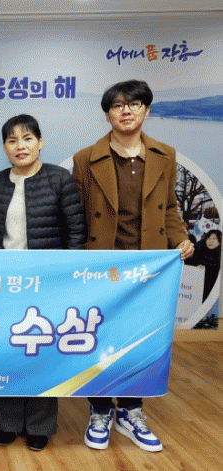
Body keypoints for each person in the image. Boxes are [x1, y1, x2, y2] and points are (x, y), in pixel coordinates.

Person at [73, 80, 194, 453]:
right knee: (100, 338)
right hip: (102, 265)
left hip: (148, 268)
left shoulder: (164, 155)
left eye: (135, 104)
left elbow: (169, 207)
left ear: (146, 110)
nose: (126, 111)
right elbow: (78, 215)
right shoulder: (85, 158)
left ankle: (130, 411)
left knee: (140, 340)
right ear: (108, 114)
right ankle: (99, 411)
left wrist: (180, 238)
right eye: (117, 105)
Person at [0, 114, 85, 451]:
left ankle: (39, 425)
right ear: (4, 147)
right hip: (4, 284)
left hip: (47, 284)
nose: (20, 146)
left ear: (40, 142)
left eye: (27, 138)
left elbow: (76, 233)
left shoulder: (59, 179)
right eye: (12, 140)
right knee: (6, 351)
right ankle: (8, 423)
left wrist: (66, 279)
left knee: (41, 352)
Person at [191, 229, 221, 302]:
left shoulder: (220, 257)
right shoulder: (197, 252)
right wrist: (195, 266)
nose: (210, 241)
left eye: (214, 238)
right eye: (208, 238)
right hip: (195, 295)